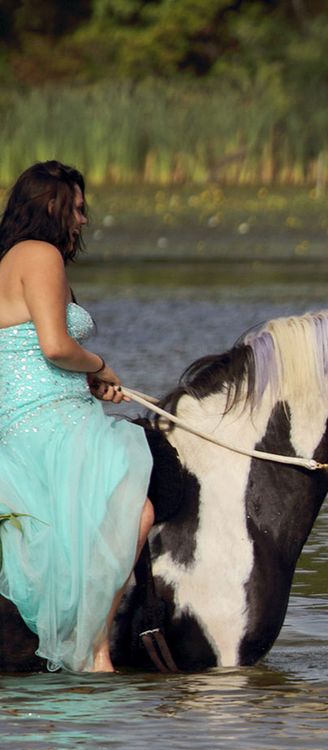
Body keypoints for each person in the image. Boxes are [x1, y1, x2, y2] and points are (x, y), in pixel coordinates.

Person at [0, 161, 154, 672]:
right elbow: (54, 344)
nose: (84, 221)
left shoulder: (12, 259)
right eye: (80, 208)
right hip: (48, 420)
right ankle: (95, 647)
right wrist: (100, 364)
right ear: (52, 205)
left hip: (41, 407)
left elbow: (25, 346)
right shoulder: (40, 255)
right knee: (137, 512)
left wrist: (86, 379)